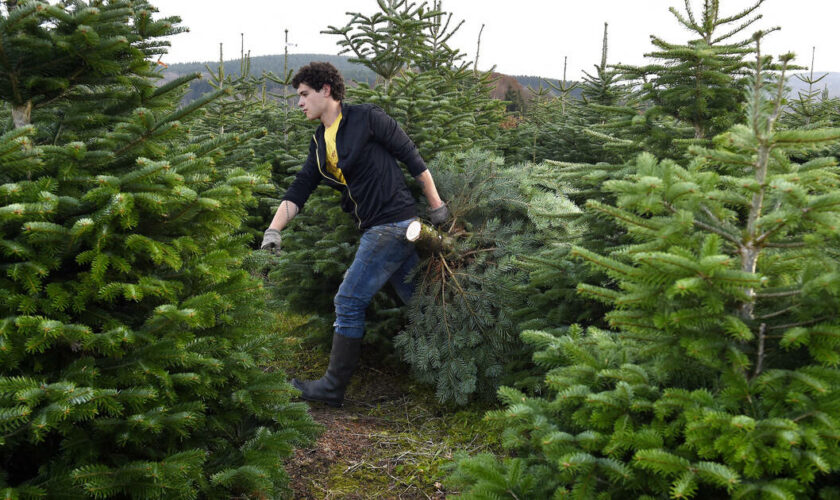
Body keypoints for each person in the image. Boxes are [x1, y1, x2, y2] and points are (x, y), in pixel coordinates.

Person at [261, 62, 448, 407]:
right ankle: (452, 364)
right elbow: (299, 189)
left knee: (348, 300)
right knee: (418, 301)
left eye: (303, 94)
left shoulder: (365, 118)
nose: (299, 103)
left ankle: (332, 388)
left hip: (392, 224)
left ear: (325, 90)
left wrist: (436, 205)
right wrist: (274, 229)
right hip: (385, 228)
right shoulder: (320, 144)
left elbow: (411, 157)